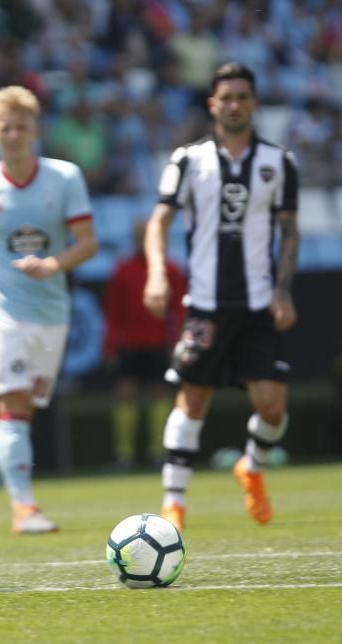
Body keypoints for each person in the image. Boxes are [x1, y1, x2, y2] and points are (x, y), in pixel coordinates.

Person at [143, 62, 300, 531]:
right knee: (192, 400)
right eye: (225, 97)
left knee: (273, 407)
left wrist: (284, 291)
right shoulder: (188, 161)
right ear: (213, 104)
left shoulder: (279, 163)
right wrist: (156, 273)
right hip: (207, 302)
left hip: (257, 304)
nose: (234, 105)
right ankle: (174, 503)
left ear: (254, 103)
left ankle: (251, 466)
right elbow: (160, 220)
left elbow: (289, 233)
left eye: (242, 97)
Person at [0, 85, 98, 538]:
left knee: (19, 416)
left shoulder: (65, 178)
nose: (13, 135)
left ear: (36, 130)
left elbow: (88, 243)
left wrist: (53, 264)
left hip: (52, 311)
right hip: (1, 309)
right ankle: (26, 508)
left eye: (21, 127)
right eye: (4, 127)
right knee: (12, 408)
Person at [104, 219, 186, 470]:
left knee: (159, 394)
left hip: (159, 343)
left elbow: (180, 310)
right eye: (139, 235)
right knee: (125, 394)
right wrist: (110, 346)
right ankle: (124, 456)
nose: (143, 241)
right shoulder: (123, 270)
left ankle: (158, 453)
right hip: (129, 344)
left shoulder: (170, 270)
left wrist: (177, 342)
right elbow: (112, 313)